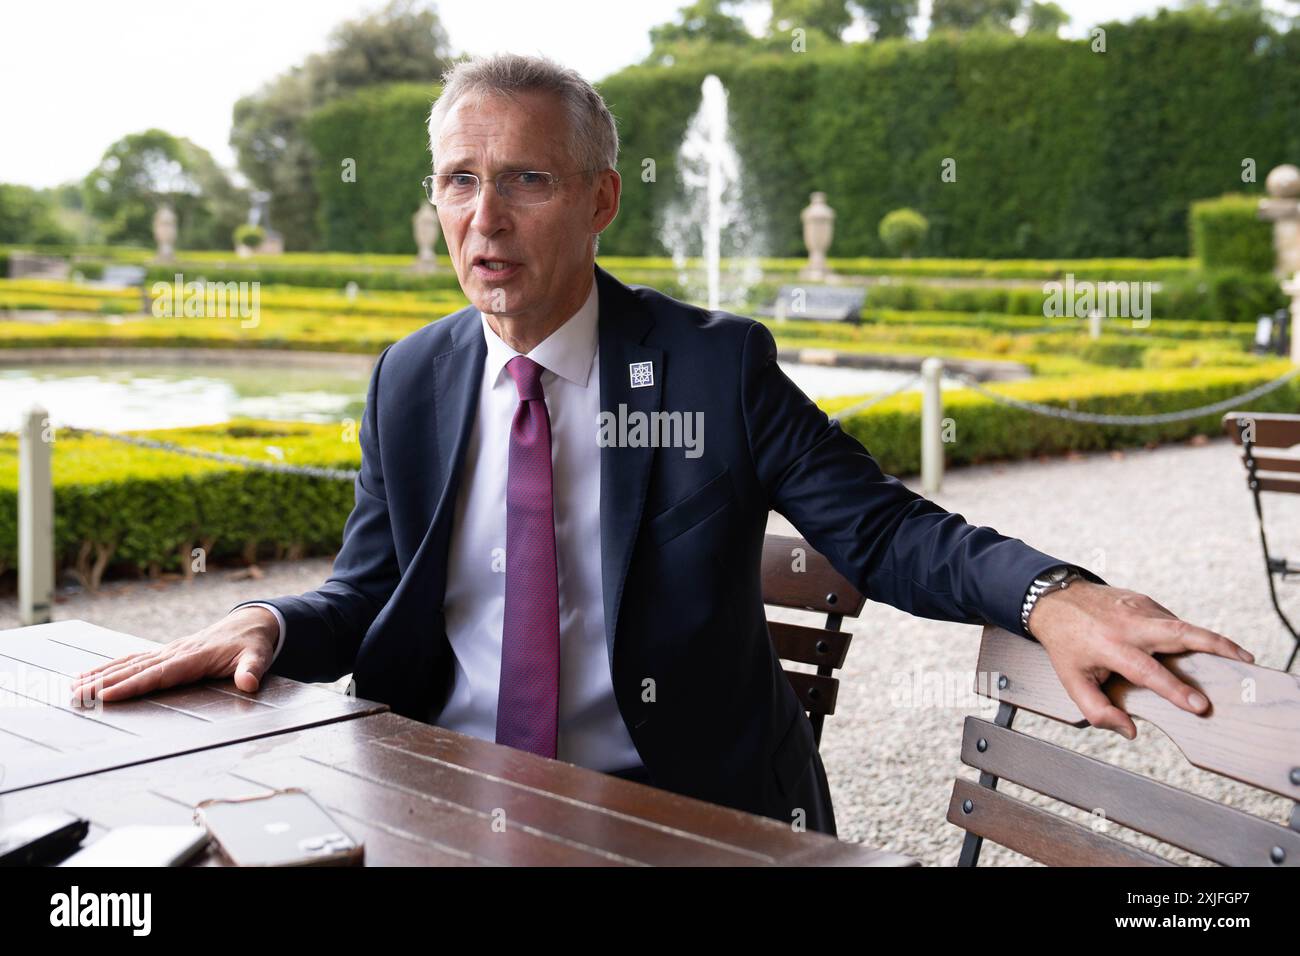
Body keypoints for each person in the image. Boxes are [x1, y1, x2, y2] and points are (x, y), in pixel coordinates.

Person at [70, 53, 1254, 837]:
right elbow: (373, 589)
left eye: (527, 179)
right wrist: (266, 622)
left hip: (668, 810)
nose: (486, 218)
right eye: (459, 181)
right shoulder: (413, 375)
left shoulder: (709, 365)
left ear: (600, 201)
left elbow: (884, 529)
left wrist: (1052, 592)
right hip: (443, 797)